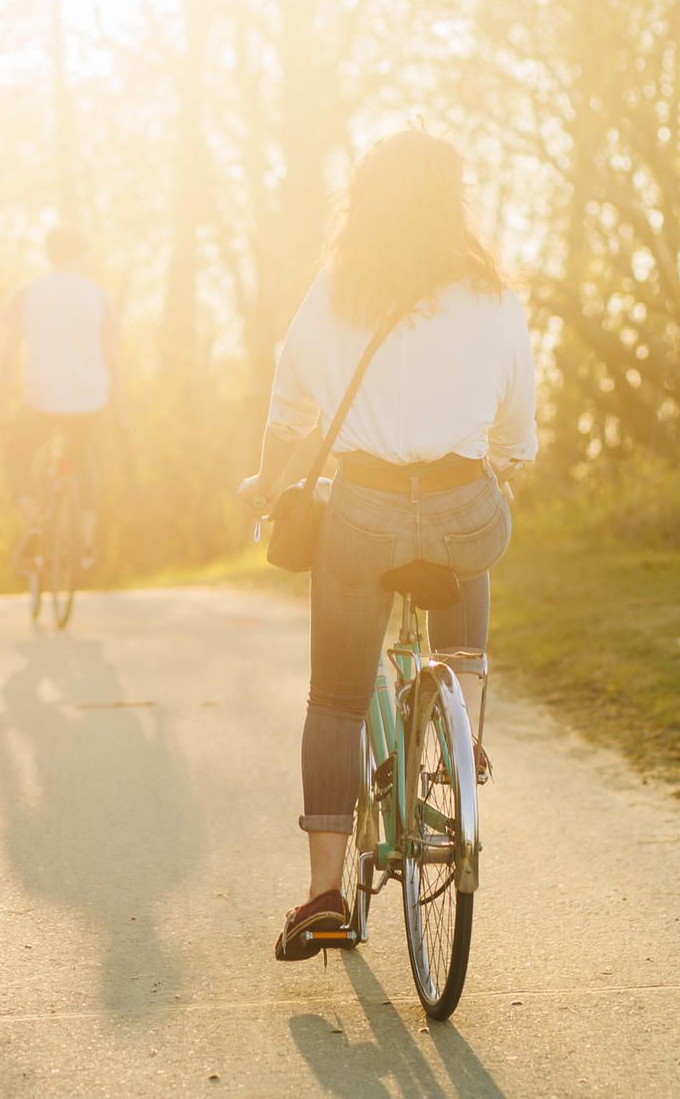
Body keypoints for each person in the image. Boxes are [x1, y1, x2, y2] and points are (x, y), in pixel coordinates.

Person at [238, 128, 537, 961]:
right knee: (473, 533)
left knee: (335, 701)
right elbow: (517, 425)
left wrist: (268, 486)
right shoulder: (491, 295)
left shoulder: (334, 291)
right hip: (461, 508)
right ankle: (461, 729)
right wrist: (500, 463)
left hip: (363, 509)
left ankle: (324, 894)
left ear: (361, 201)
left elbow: (289, 409)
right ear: (453, 198)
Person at [0, 224, 121, 570]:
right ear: (82, 255)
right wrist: (119, 413)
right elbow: (114, 361)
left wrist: (1, 408)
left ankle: (35, 521)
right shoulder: (100, 297)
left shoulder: (25, 294)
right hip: (90, 400)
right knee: (82, 462)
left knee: (17, 456)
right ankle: (84, 544)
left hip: (40, 399)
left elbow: (7, 356)